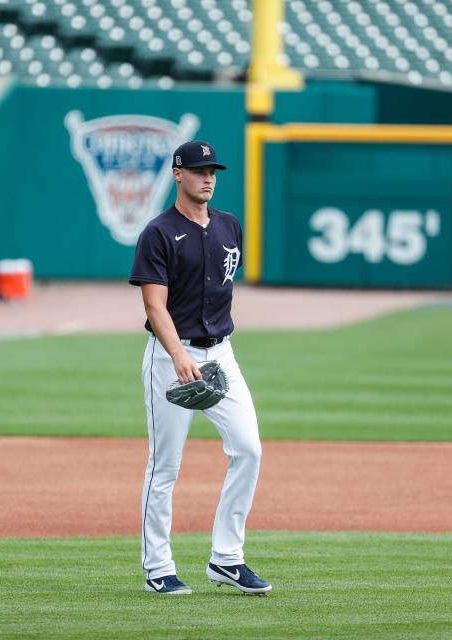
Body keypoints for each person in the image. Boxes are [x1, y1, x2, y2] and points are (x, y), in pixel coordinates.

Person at [128, 140, 272, 596]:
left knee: (248, 449)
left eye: (212, 170)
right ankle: (158, 567)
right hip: (172, 356)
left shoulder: (230, 226)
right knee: (165, 465)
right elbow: (155, 305)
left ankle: (227, 559)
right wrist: (178, 355)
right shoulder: (159, 232)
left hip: (222, 355)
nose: (207, 177)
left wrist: (211, 350)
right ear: (178, 174)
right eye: (197, 170)